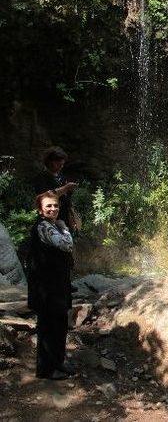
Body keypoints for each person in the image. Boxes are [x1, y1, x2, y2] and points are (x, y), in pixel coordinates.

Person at [27, 191, 75, 380]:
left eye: (55, 205)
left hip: (57, 285)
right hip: (46, 288)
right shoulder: (43, 228)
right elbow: (66, 245)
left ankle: (58, 362)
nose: (53, 209)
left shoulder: (52, 225)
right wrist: (65, 229)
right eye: (48, 206)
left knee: (60, 324)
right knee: (48, 327)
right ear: (40, 210)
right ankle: (46, 370)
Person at [32, 147, 79, 231]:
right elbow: (44, 198)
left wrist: (69, 191)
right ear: (50, 162)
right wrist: (65, 188)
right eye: (59, 164)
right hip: (50, 218)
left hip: (64, 216)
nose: (61, 167)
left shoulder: (61, 176)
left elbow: (66, 197)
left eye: (62, 165)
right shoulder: (41, 178)